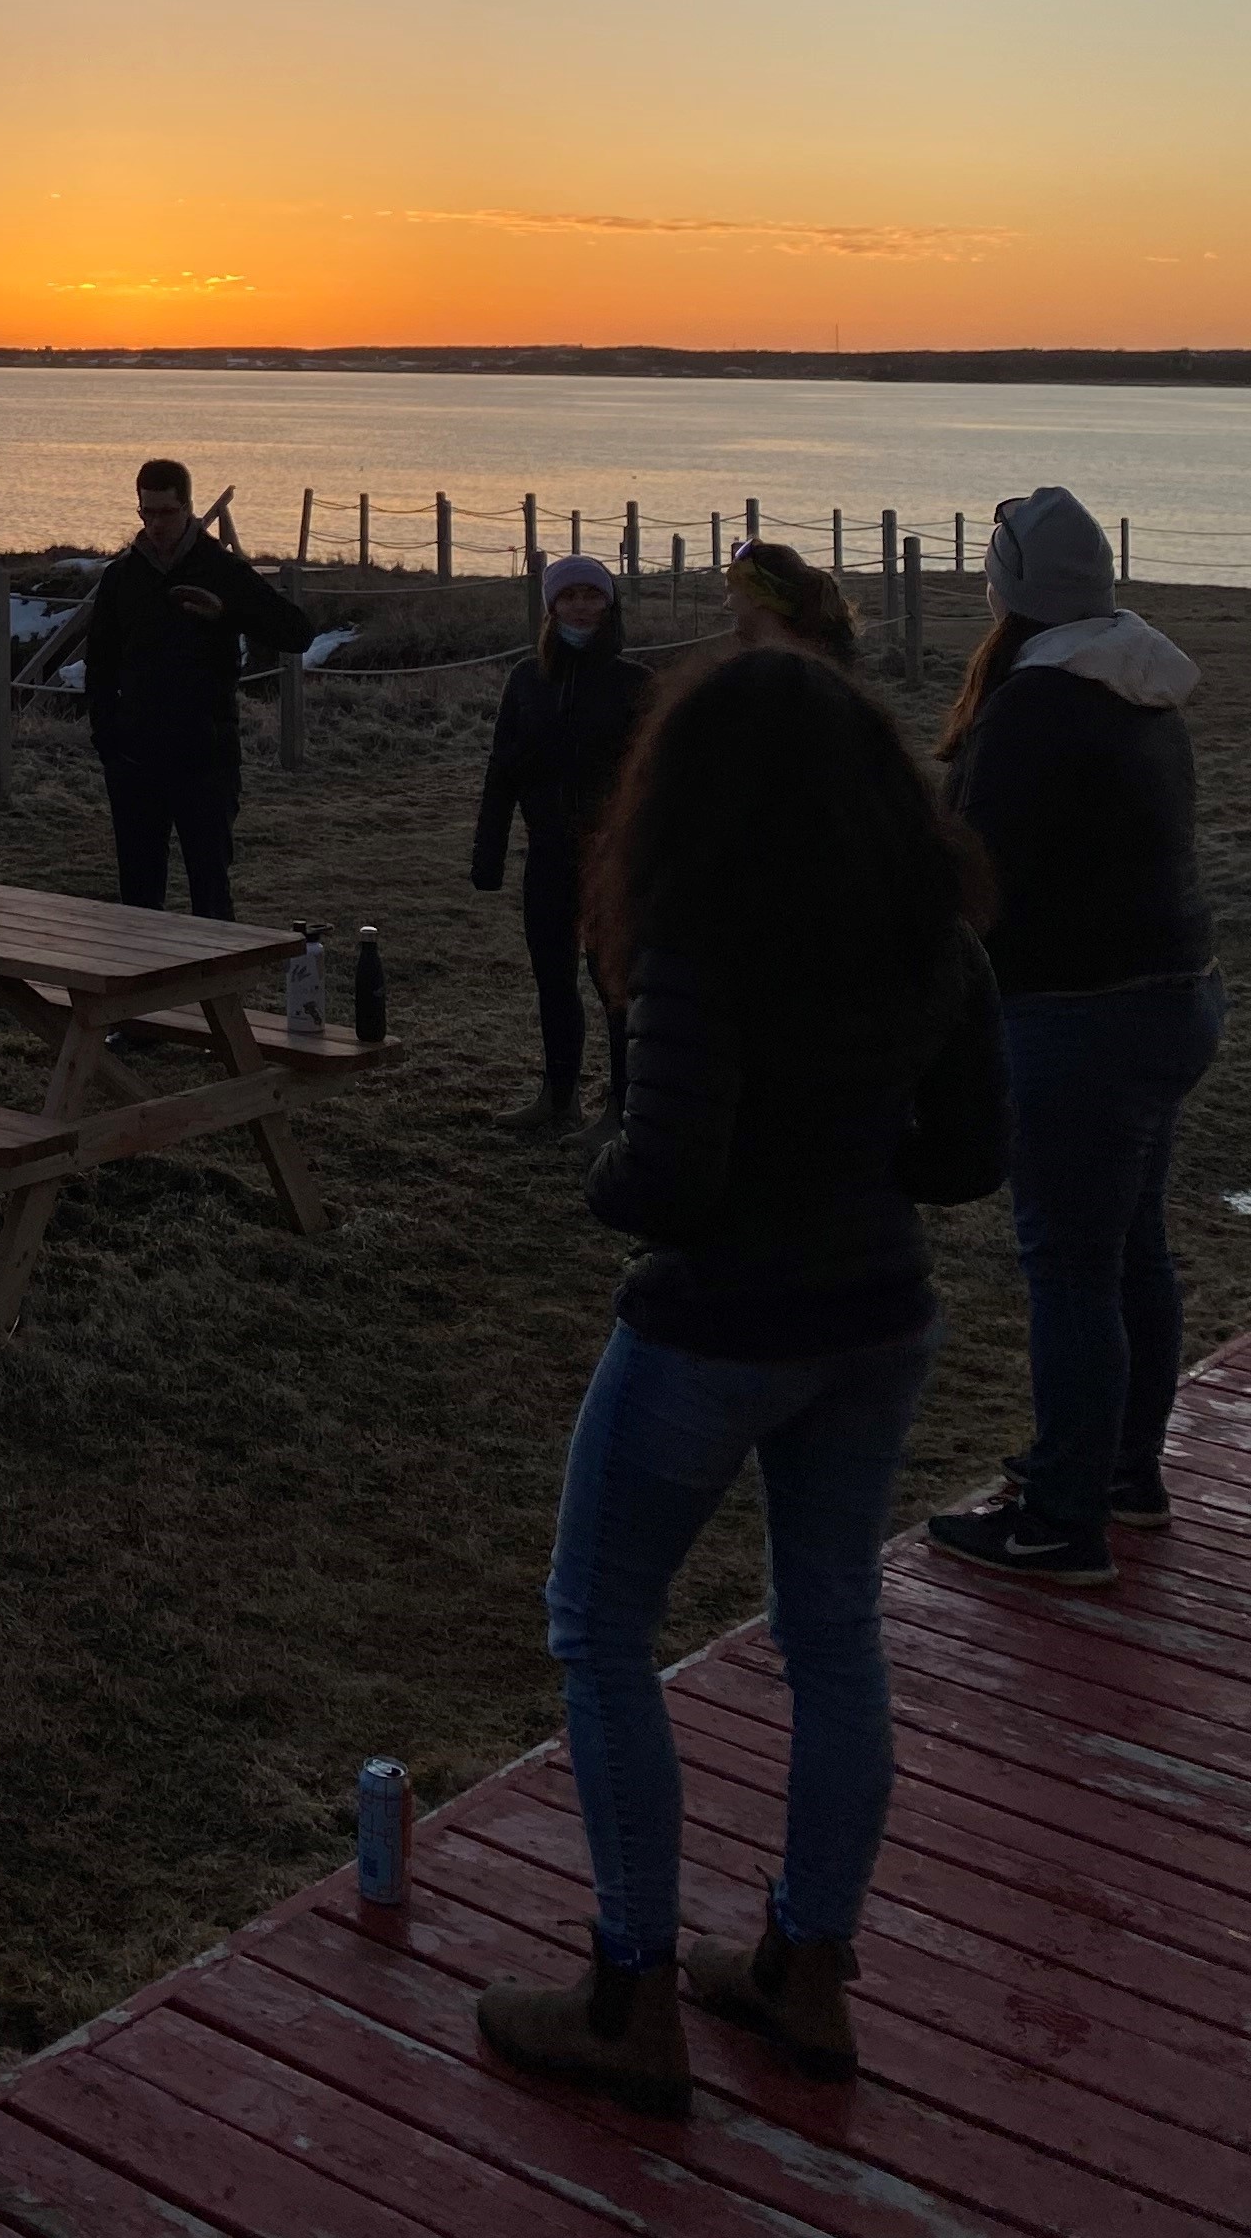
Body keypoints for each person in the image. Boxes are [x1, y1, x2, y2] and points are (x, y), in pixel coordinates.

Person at [473, 646, 1008, 2117]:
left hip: (719, 1330)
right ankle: (804, 1969)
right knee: (834, 1632)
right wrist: (848, 1175)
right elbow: (968, 1156)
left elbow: (668, 1179)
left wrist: (601, 1175)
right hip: (879, 1319)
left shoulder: (706, 936)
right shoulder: (930, 935)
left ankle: (630, 1993)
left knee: (599, 1628)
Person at [925, 486, 1220, 1587]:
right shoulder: (1142, 686)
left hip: (1080, 1018)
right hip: (1173, 997)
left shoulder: (1037, 704)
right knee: (1130, 1246)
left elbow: (976, 873)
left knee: (1072, 1267)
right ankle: (1123, 1473)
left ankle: (1061, 1517)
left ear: (1007, 585)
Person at [79, 458, 312, 921]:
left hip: (205, 757)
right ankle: (144, 991)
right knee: (139, 901)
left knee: (210, 891)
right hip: (135, 760)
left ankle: (216, 993)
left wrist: (227, 612)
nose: (156, 524)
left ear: (187, 507)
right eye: (147, 513)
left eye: (166, 512)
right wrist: (107, 741)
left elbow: (296, 633)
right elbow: (100, 666)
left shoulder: (220, 569)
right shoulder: (121, 578)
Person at [471, 551, 651, 1130]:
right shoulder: (526, 681)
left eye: (591, 594)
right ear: (551, 605)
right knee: (553, 977)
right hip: (547, 853)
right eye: (569, 595)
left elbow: (651, 778)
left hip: (610, 862)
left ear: (609, 602)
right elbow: (502, 769)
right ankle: (558, 1098)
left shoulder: (635, 684)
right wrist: (488, 853)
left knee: (613, 984)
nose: (580, 605)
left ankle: (623, 1107)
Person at [726, 535, 860, 667]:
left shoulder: (764, 675)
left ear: (757, 595)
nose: (727, 604)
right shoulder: (826, 667)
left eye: (732, 592)